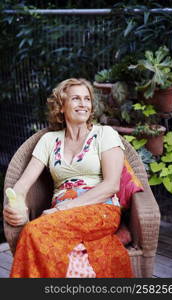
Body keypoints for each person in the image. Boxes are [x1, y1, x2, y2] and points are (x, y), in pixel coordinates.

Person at [3, 78, 133, 278]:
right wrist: (16, 206)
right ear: (61, 106)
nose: (83, 104)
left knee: (34, 232)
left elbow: (111, 185)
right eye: (75, 98)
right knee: (37, 234)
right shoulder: (48, 140)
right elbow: (22, 185)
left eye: (87, 99)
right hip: (60, 214)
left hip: (101, 208)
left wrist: (65, 207)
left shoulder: (105, 134)